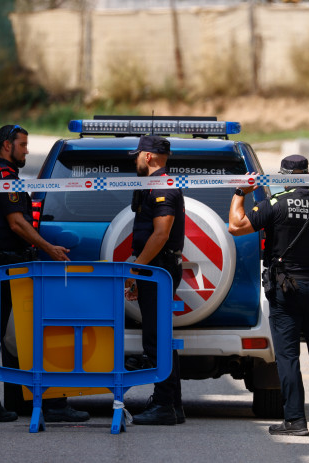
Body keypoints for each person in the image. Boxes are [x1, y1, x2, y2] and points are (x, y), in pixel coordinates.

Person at [228, 154, 309, 436]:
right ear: (308, 174)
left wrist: (240, 193)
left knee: (288, 357)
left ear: (284, 176)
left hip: (285, 290)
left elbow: (235, 227)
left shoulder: (275, 204)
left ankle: (295, 421)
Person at [0, 124, 89, 423]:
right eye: (22, 144)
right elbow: (16, 224)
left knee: (8, 335)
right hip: (8, 266)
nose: (27, 150)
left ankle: (13, 400)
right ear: (6, 146)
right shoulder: (3, 179)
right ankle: (35, 404)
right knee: (19, 333)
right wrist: (50, 248)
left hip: (5, 265)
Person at [124, 135, 185, 426]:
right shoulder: (153, 185)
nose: (135, 160)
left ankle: (164, 405)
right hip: (155, 268)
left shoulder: (162, 186)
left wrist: (135, 270)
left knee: (157, 339)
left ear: (148, 157)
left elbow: (160, 234)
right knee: (160, 335)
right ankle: (173, 403)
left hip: (157, 269)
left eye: (137, 155)